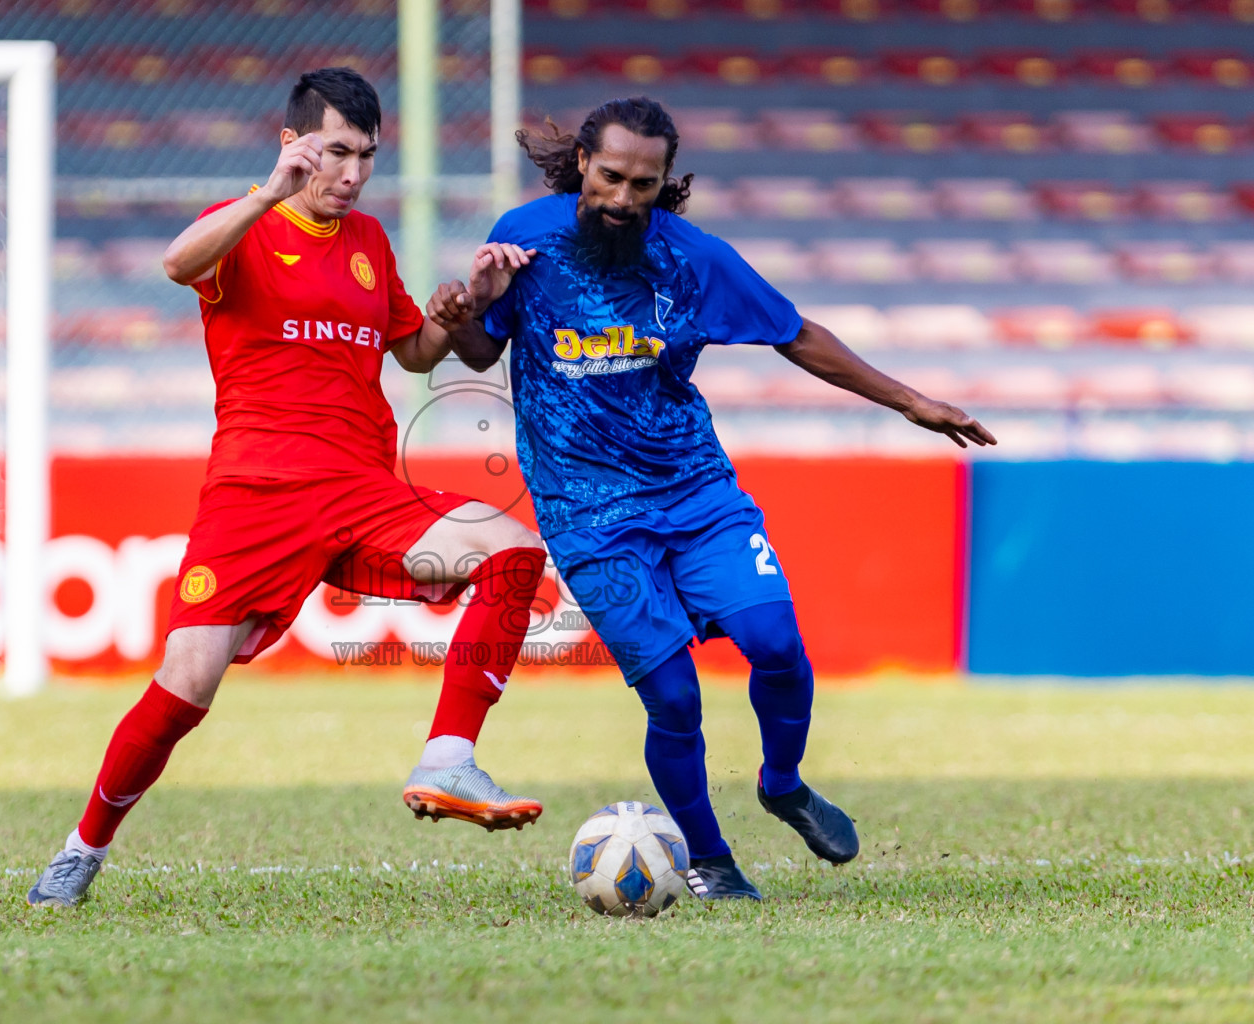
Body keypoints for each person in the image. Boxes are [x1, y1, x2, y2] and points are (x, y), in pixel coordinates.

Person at [426, 97, 996, 900]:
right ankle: (712, 859)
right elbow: (486, 346)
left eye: (644, 184)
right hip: (587, 516)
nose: (624, 199)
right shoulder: (528, 234)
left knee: (777, 644)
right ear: (583, 164)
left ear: (667, 183)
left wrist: (911, 402)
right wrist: (465, 310)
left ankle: (783, 782)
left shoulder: (693, 258)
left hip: (695, 493)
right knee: (673, 696)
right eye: (612, 177)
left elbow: (795, 334)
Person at [27, 68, 547, 908]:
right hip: (255, 494)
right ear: (293, 144)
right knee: (188, 683)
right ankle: (83, 847)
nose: (351, 173)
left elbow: (412, 353)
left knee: (513, 544)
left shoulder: (371, 243)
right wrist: (270, 194)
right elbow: (174, 263)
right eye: (336, 152)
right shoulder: (243, 229)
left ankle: (448, 757)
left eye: (367, 156)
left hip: (362, 490)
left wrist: (464, 309)